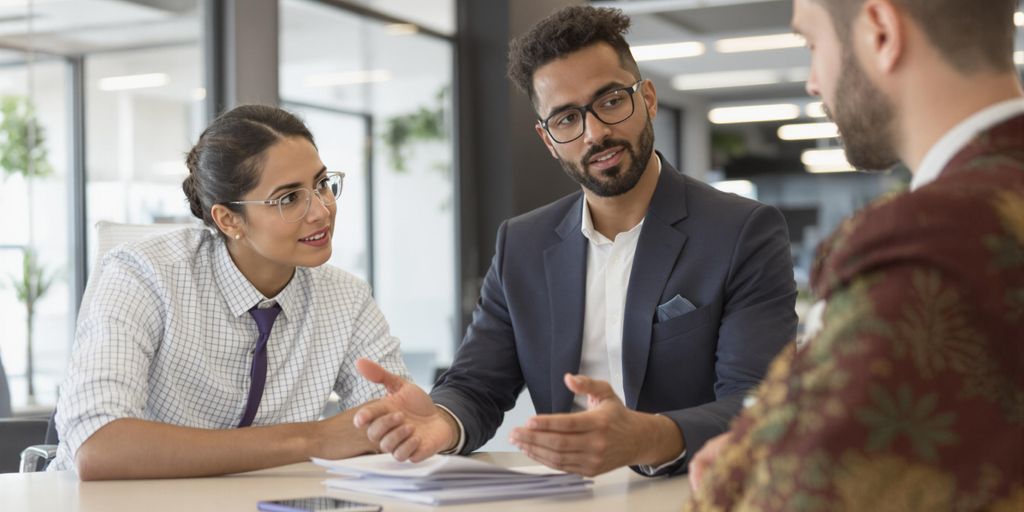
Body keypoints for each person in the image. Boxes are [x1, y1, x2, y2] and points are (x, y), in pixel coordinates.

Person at [353, 5, 797, 478]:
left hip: (694, 491)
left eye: (610, 102)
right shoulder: (522, 244)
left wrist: (645, 438)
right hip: (568, 497)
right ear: (548, 139)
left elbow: (757, 402)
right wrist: (440, 421)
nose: (595, 133)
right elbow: (478, 385)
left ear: (647, 99)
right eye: (567, 119)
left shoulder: (741, 230)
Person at [687, 0, 1024, 509]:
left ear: (881, 31)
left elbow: (799, 496)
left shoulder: (918, 240)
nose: (812, 81)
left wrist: (747, 469)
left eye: (812, 44)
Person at [51, 105, 409, 480]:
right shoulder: (143, 276)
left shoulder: (345, 298)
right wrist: (313, 439)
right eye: (289, 198)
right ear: (228, 219)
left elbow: (396, 424)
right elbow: (100, 446)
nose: (321, 211)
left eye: (320, 184)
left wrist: (405, 423)